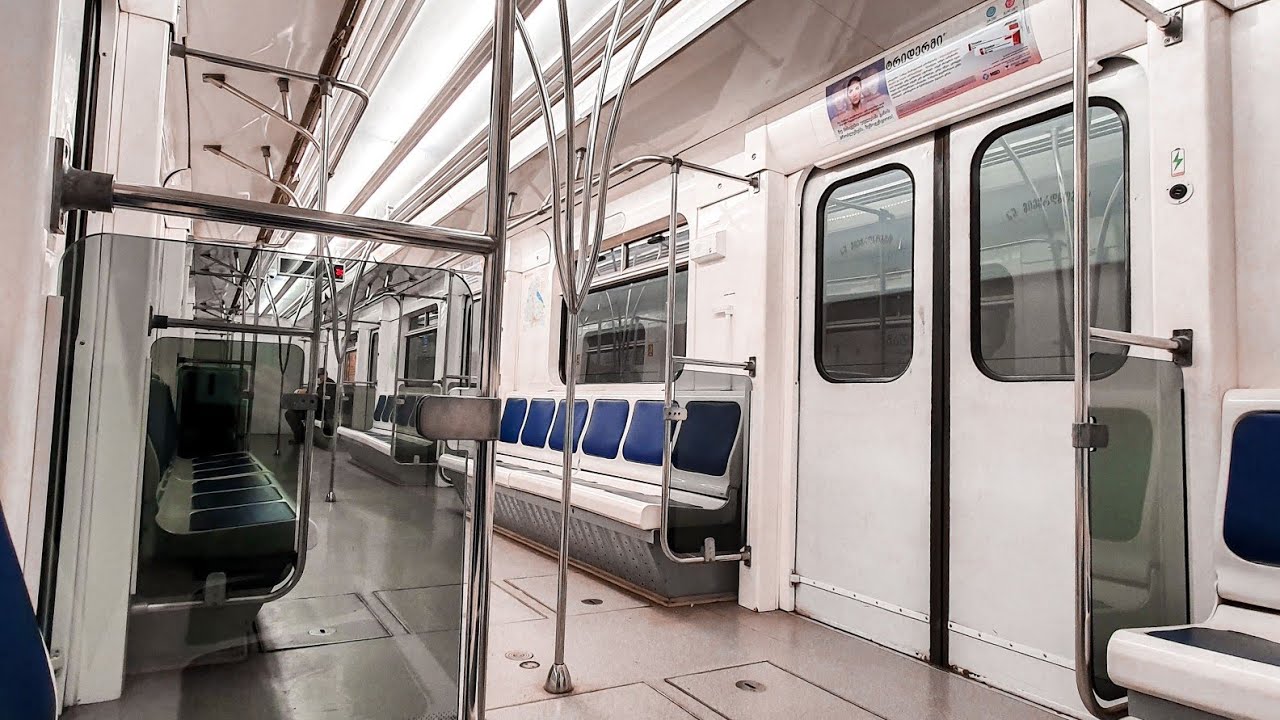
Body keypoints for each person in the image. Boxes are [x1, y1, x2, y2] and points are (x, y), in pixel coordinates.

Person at [285, 368, 337, 444]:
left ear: (325, 375)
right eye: (318, 376)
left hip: (322, 411)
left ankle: (301, 437)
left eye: (320, 375)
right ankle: (300, 437)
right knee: (290, 414)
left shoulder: (330, 384)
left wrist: (310, 391)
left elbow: (322, 396)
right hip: (311, 407)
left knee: (293, 414)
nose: (319, 378)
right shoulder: (314, 383)